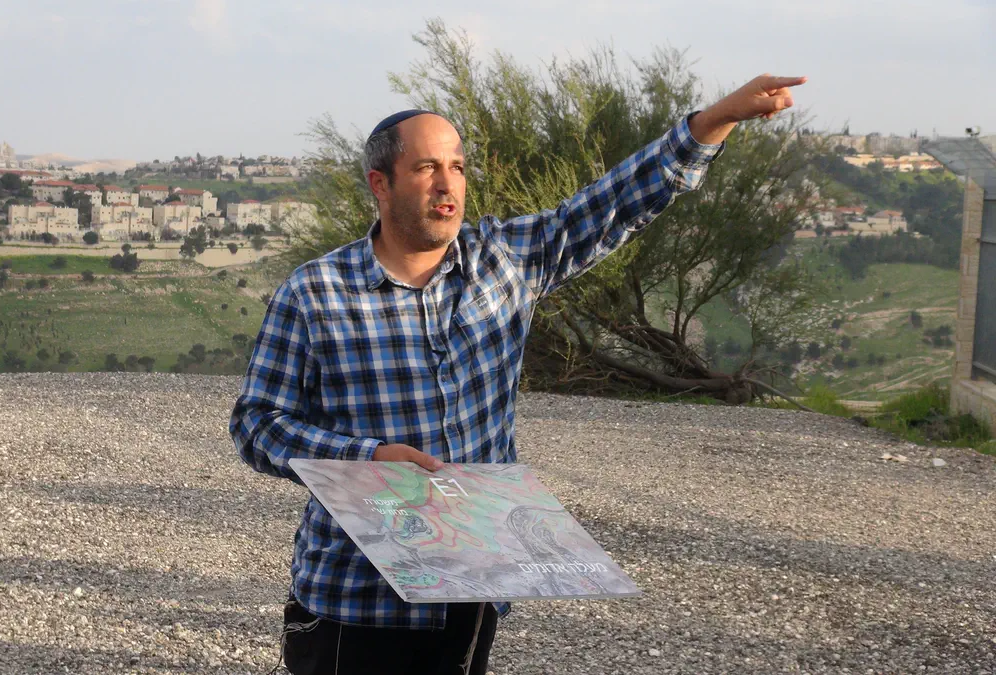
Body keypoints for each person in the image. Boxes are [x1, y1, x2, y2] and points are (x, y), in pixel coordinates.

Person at [230, 74, 807, 675]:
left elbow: (614, 203)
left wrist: (715, 120)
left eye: (457, 167)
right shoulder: (316, 292)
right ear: (381, 184)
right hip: (356, 597)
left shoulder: (504, 261)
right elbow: (257, 425)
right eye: (427, 168)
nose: (447, 184)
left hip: (473, 586)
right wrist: (368, 459)